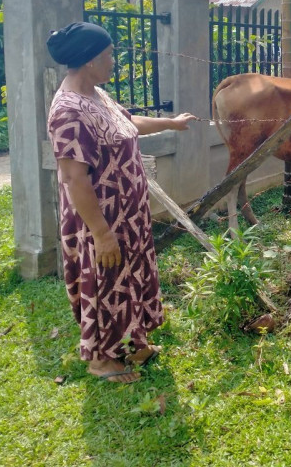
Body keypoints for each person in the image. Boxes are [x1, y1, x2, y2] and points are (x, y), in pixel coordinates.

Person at [46, 22, 197, 383]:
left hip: (128, 214)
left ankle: (131, 341)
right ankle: (101, 359)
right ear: (89, 61)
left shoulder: (96, 95)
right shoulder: (68, 111)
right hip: (99, 219)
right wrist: (101, 234)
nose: (113, 62)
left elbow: (129, 123)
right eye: (108, 56)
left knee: (129, 276)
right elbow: (73, 178)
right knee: (106, 283)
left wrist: (172, 124)